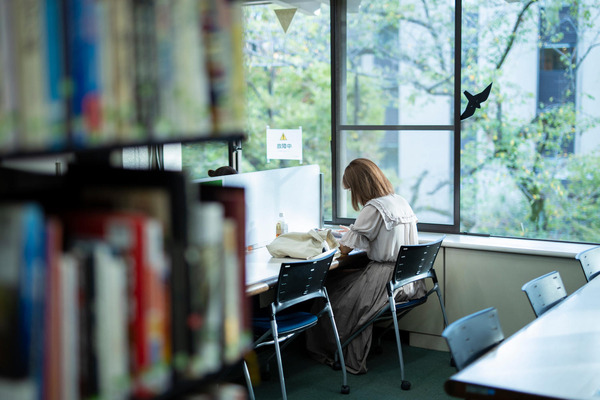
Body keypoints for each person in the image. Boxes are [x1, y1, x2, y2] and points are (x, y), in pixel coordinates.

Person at [305, 158, 425, 374]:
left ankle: (332, 350)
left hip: (384, 280)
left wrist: (343, 238)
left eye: (352, 188)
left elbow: (344, 250)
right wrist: (354, 232)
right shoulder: (399, 201)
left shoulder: (374, 207)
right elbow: (383, 236)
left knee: (331, 295)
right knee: (340, 281)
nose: (353, 194)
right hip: (408, 279)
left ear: (360, 185)